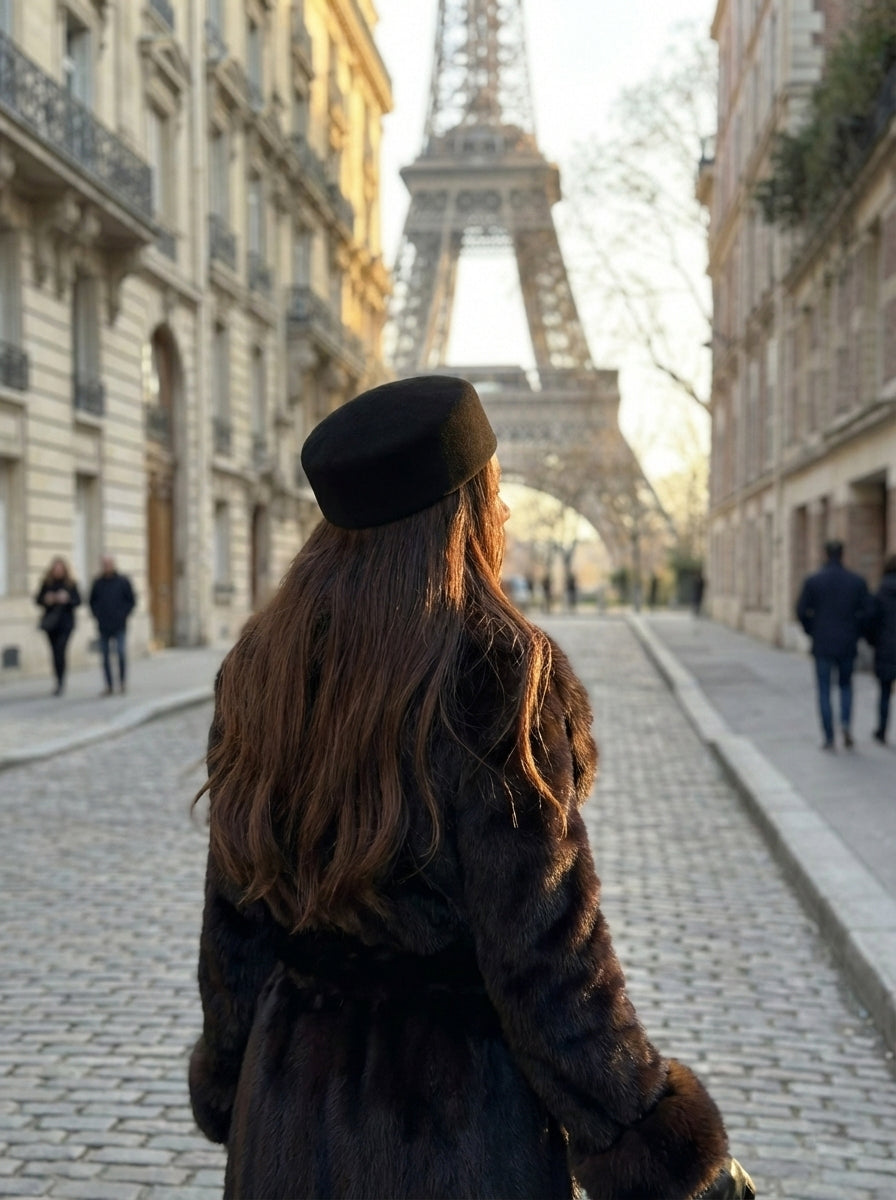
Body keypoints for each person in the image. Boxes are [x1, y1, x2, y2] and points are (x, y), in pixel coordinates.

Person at [189, 376, 754, 1200]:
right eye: (495, 495)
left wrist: (228, 1078)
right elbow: (548, 965)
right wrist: (648, 1138)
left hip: (290, 1123)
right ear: (469, 507)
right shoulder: (497, 675)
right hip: (457, 1132)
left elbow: (233, 927)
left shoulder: (260, 672)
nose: (509, 515)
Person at [796, 539, 872, 750]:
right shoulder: (856, 581)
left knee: (824, 690)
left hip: (822, 643)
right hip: (847, 642)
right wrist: (857, 632)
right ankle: (846, 724)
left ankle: (829, 736)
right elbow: (868, 612)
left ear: (825, 554)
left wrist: (812, 630)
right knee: (846, 686)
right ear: (842, 554)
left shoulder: (814, 581)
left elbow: (801, 611)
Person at [89, 555, 136, 695]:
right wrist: (97, 615)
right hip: (103, 625)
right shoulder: (98, 583)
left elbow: (131, 601)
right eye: (104, 564)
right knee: (105, 656)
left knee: (121, 653)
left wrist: (123, 614)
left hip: (119, 624)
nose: (107, 566)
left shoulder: (122, 581)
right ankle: (109, 685)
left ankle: (121, 683)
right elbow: (92, 601)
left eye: (109, 564)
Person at [35, 557, 81, 696]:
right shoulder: (47, 583)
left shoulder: (71, 584)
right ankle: (58, 679)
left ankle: (61, 681)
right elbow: (38, 599)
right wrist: (47, 599)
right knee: (54, 652)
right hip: (51, 624)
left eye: (60, 569)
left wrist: (67, 599)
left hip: (66, 623)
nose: (58, 571)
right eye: (56, 569)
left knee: (61, 650)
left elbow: (78, 600)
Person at [868, 554, 896, 744]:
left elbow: (872, 620)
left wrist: (873, 641)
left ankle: (882, 730)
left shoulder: (881, 592)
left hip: (886, 647)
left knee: (885, 692)